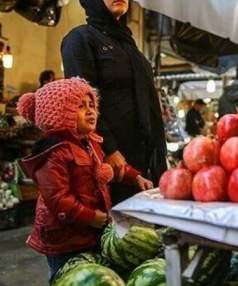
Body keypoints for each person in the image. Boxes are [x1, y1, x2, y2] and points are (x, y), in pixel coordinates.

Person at [17, 78, 152, 284]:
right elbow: (58, 199)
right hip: (63, 239)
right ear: (59, 114)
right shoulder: (53, 153)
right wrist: (89, 216)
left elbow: (107, 170)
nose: (90, 111)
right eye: (80, 106)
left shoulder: (90, 143)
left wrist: (135, 177)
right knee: (66, 280)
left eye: (92, 105)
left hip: (88, 232)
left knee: (88, 280)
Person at [61, 0, 167, 204]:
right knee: (111, 229)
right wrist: (109, 149)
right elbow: (82, 102)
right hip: (110, 163)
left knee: (139, 231)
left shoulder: (128, 44)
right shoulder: (80, 39)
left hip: (141, 160)